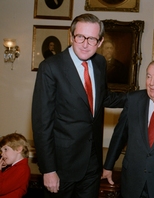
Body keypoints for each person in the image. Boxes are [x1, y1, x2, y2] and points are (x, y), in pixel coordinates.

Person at [31, 13, 126, 198]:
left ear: (100, 42)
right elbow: (42, 124)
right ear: (71, 36)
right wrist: (49, 170)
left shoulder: (99, 63)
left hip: (92, 162)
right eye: (80, 36)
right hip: (61, 166)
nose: (85, 44)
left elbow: (102, 98)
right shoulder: (51, 67)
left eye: (91, 39)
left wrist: (142, 96)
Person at [101, 59, 154, 198]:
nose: (151, 83)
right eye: (148, 76)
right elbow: (119, 136)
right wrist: (108, 166)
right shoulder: (134, 100)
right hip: (132, 180)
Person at [0, 133, 31, 198]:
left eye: (5, 149)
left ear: (18, 149)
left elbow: (1, 189)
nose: (2, 154)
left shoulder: (22, 169)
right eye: (1, 151)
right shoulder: (13, 167)